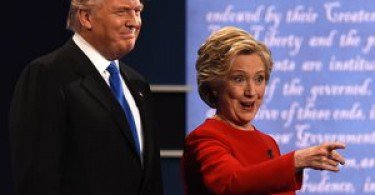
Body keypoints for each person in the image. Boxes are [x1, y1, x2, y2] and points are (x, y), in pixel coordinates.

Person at [9, 0, 163, 194]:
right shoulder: (48, 75)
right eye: (122, 12)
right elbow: (37, 179)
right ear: (86, 17)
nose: (134, 22)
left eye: (137, 11)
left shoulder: (137, 83)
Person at [181, 26, 346, 195]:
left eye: (259, 79)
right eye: (239, 79)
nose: (251, 92)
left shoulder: (268, 143)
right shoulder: (203, 138)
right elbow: (231, 184)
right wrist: (296, 161)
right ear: (215, 85)